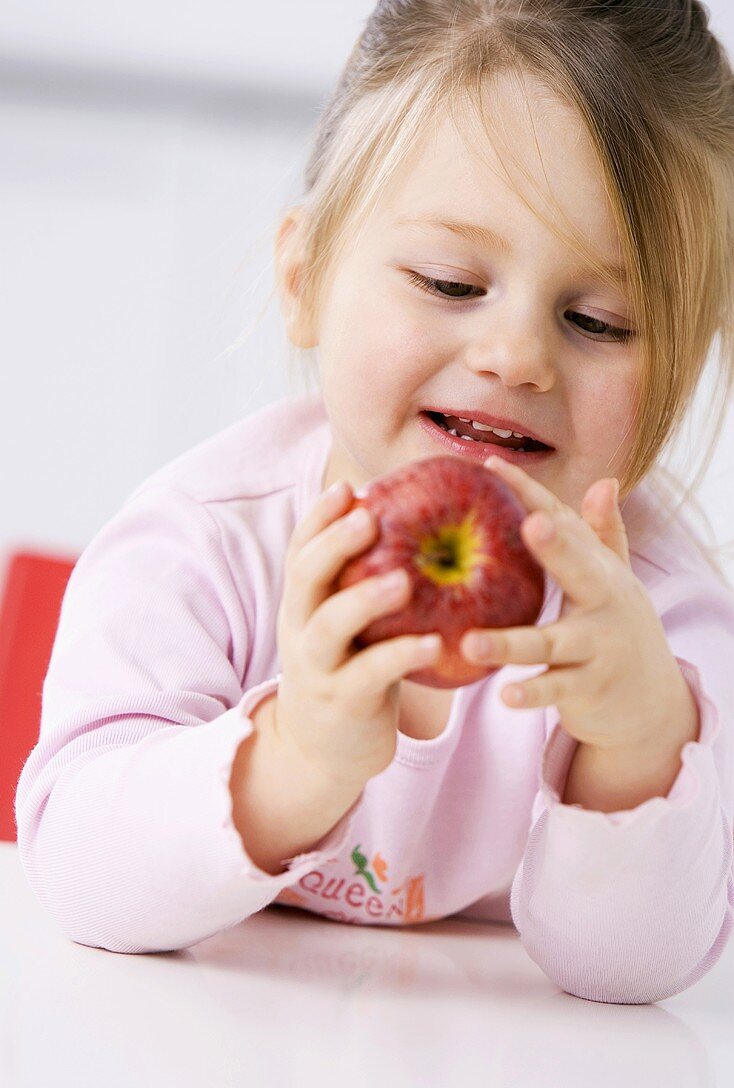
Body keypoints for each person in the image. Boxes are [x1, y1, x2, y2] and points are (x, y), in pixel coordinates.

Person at [15, 0, 734, 1004]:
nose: (516, 354)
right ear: (303, 275)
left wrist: (634, 741)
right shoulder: (200, 543)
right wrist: (292, 757)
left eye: (595, 320)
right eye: (449, 282)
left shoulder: (657, 625)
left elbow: (629, 970)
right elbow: (80, 868)